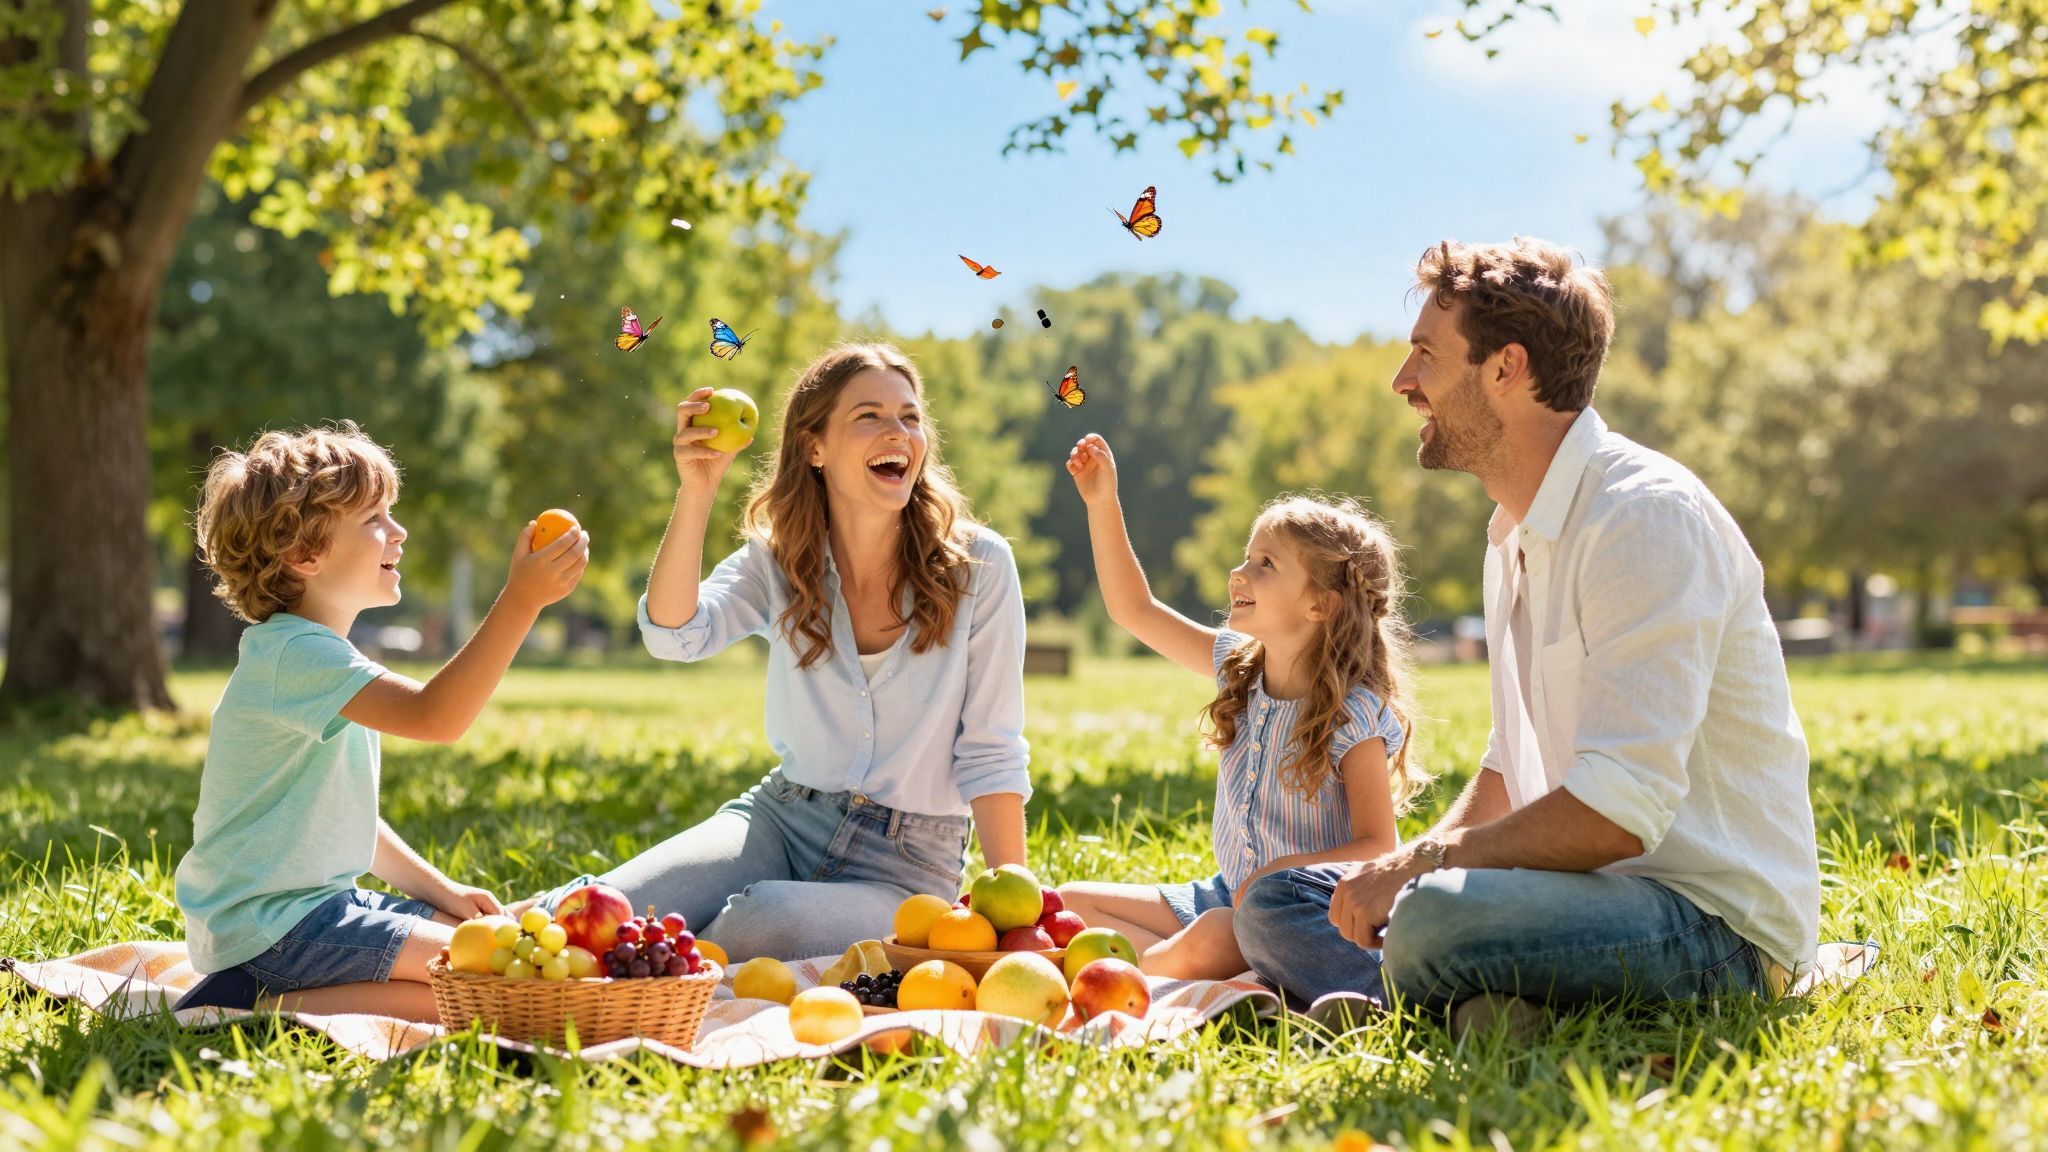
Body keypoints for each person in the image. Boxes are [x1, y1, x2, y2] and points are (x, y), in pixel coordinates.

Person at [1233, 238, 1820, 1037]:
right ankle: (1474, 1006)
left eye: (1425, 358)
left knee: (1436, 916)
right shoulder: (1511, 532)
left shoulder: (1641, 518)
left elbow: (1618, 815)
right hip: (1570, 898)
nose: (1405, 383)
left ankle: (1418, 999)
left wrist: (1419, 868)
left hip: (1708, 926)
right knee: (1275, 901)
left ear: (1505, 368)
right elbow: (1510, 766)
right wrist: (1386, 874)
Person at [521, 343, 1031, 961]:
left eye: (910, 416)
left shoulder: (979, 566)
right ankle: (477, 936)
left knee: (760, 924)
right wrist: (698, 490)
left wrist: (1019, 921)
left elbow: (990, 751)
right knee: (604, 912)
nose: (898, 432)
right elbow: (674, 633)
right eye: (868, 416)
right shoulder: (780, 559)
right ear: (815, 447)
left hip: (905, 866)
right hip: (781, 821)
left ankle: (642, 978)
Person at [174, 423, 590, 1020]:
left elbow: (344, 821)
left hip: (313, 912)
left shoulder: (316, 656)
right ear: (304, 554)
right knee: (498, 974)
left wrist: (440, 890)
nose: (400, 532)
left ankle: (260, 997)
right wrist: (521, 599)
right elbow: (437, 717)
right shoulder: (296, 656)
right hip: (274, 930)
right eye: (375, 520)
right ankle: (255, 1003)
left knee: (487, 954)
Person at [1056, 433, 1424, 982]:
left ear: (1320, 604)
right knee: (1069, 905)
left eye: (1265, 564)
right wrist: (1102, 502)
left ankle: (1107, 981)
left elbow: (1378, 845)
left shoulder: (1353, 713)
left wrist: (1280, 874)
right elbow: (1134, 609)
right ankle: (1146, 967)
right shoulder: (1239, 666)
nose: (1239, 574)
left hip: (1302, 913)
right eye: (1247, 558)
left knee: (1212, 937)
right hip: (1225, 894)